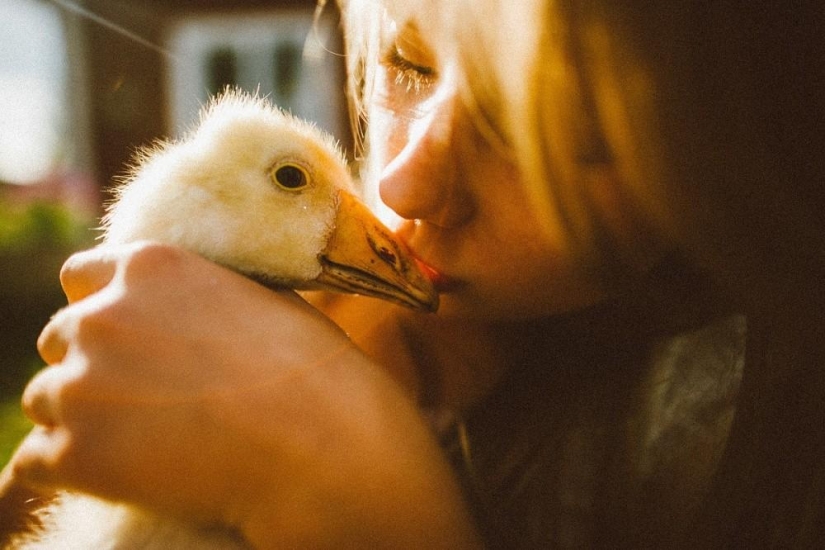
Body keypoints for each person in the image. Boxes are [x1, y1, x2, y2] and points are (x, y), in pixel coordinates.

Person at [2, 0, 824, 547]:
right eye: (406, 64)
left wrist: (348, 482)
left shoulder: (766, 447)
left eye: (555, 118)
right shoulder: (351, 299)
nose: (403, 183)